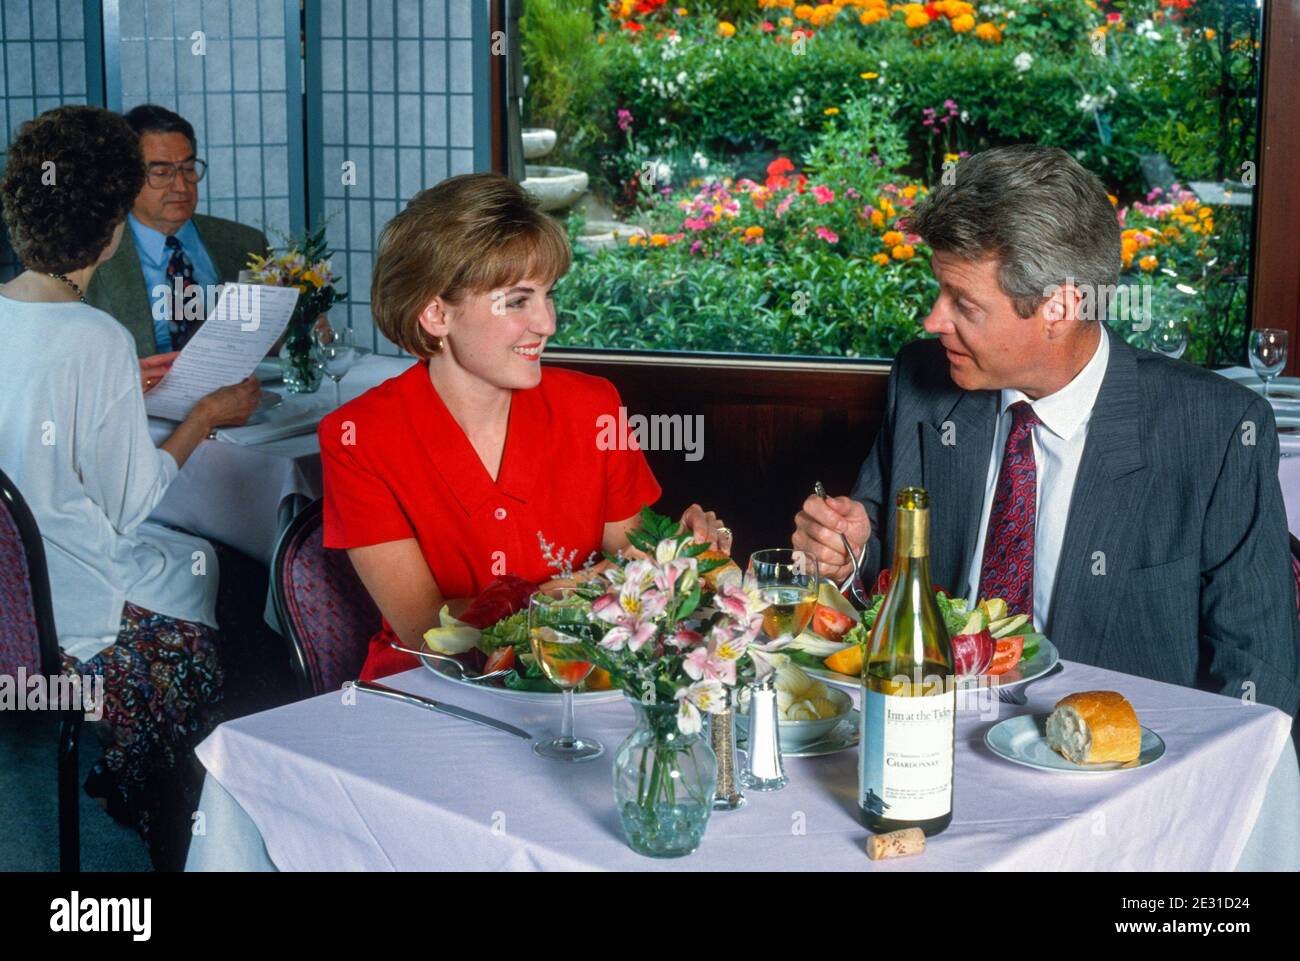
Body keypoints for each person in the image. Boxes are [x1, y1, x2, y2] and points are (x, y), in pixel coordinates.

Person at [792, 144, 1299, 717]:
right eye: (939, 291)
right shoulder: (921, 382)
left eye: (965, 303)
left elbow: (1259, 672)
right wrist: (849, 555)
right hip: (930, 736)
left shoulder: (1217, 430)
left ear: (1059, 307)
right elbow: (880, 567)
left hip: (1119, 771)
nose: (934, 321)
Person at [320, 173, 728, 680]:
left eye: (547, 295)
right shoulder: (358, 436)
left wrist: (678, 553)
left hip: (577, 678)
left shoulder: (593, 405)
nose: (548, 323)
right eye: (517, 301)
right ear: (435, 314)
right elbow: (430, 629)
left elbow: (634, 557)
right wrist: (582, 589)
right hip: (430, 691)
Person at [0, 105, 261, 868]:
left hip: (12, 601)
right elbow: (129, 501)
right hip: (76, 608)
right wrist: (206, 413)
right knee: (211, 582)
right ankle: (183, 810)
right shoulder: (96, 337)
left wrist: (123, 391)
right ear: (113, 225)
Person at [84, 103, 270, 373]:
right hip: (136, 407)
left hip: (237, 401)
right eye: (161, 173)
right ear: (125, 178)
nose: (181, 186)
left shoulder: (245, 244)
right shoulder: (92, 256)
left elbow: (270, 341)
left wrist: (300, 329)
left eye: (188, 168)